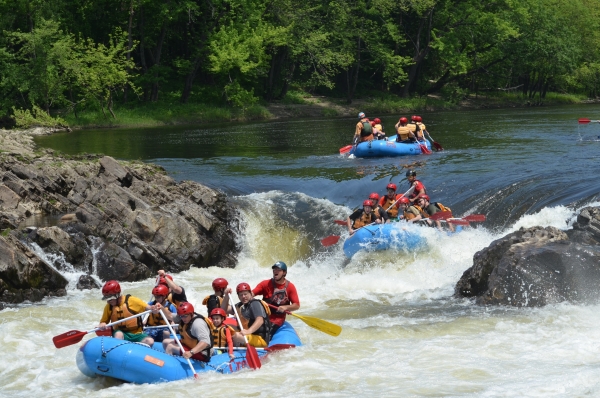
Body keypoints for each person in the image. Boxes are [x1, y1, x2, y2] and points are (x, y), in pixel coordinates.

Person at [98, 280, 159, 345]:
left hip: (137, 334)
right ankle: (119, 349)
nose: (108, 301)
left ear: (117, 295)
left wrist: (154, 309)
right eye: (107, 299)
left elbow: (149, 308)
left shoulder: (132, 300)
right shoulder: (109, 306)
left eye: (110, 299)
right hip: (122, 334)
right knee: (118, 334)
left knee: (150, 341)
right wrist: (102, 324)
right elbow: (103, 321)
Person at [252, 261, 301, 335]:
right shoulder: (265, 284)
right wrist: (246, 295)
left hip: (276, 320)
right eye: (274, 269)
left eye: (278, 270)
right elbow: (252, 293)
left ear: (284, 273)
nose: (275, 271)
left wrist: (286, 307)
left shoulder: (290, 287)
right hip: (262, 316)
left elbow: (296, 305)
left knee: (264, 333)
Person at [222, 283, 272, 347]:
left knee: (234, 335)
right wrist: (226, 297)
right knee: (226, 329)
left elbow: (260, 320)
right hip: (247, 335)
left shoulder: (255, 304)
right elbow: (223, 310)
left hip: (260, 339)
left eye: (245, 294)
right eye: (241, 295)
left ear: (250, 293)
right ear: (238, 296)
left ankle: (233, 348)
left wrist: (249, 331)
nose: (243, 297)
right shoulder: (240, 305)